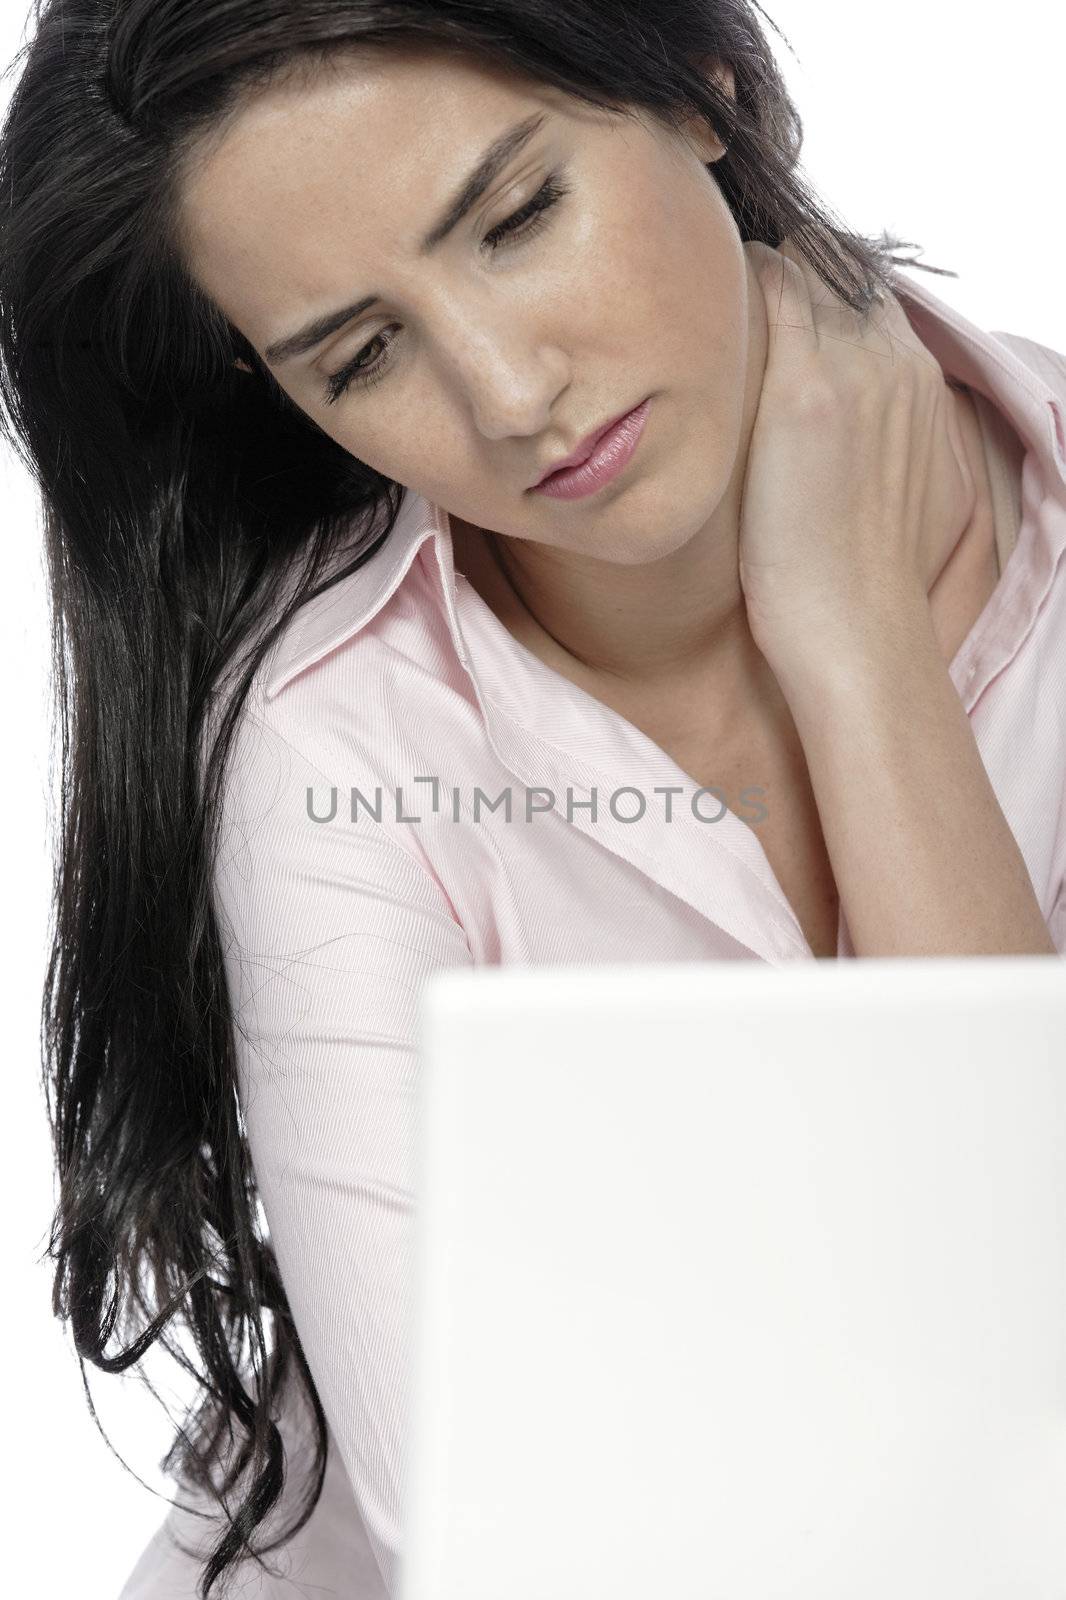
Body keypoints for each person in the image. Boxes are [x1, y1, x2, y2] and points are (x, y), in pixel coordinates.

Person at [1, 2, 1062, 1597]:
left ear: (698, 87)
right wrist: (856, 632)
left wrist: (856, 655)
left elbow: (1010, 1386)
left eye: (517, 216)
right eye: (360, 354)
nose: (506, 396)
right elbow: (498, 1548)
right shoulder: (330, 739)